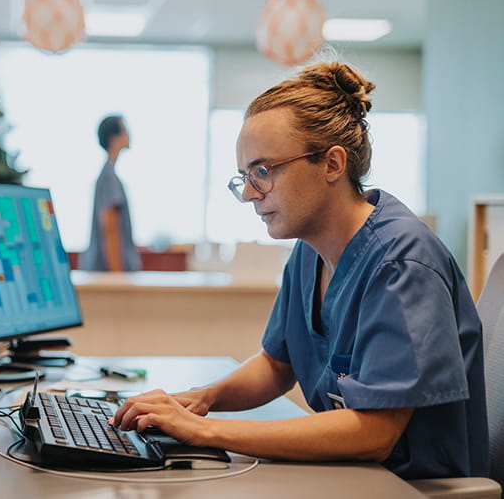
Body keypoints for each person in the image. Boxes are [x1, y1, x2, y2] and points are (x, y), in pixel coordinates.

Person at [110, 61, 489, 480]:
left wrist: (205, 430)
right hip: (352, 474)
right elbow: (276, 365)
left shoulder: (402, 262)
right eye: (245, 176)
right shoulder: (309, 252)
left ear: (332, 164)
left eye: (264, 171)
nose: (250, 195)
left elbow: (374, 432)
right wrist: (200, 400)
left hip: (411, 485)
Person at [79, 115, 141, 272]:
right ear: (114, 138)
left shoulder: (109, 176)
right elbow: (110, 229)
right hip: (108, 272)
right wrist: (117, 277)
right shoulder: (108, 177)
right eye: (125, 131)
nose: (129, 135)